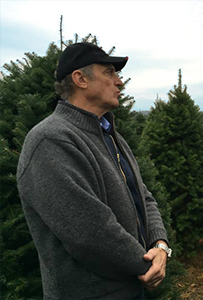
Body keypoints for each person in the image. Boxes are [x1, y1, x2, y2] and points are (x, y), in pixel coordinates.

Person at [17, 42, 172, 300]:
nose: (119, 82)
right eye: (110, 72)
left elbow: (142, 195)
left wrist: (160, 245)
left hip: (130, 290)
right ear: (80, 79)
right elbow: (89, 233)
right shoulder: (51, 140)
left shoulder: (110, 135)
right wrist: (148, 266)